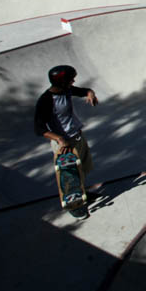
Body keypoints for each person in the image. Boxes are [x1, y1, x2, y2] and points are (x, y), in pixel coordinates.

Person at [34, 65, 100, 205]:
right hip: (64, 145)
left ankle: (82, 194)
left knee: (81, 170)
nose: (73, 81)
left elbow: (84, 90)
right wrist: (59, 138)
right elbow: (39, 128)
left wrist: (90, 94)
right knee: (70, 177)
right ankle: (75, 205)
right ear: (62, 82)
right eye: (71, 79)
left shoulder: (67, 90)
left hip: (78, 136)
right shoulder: (46, 100)